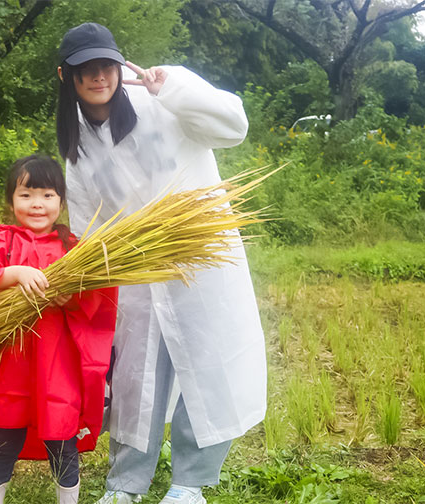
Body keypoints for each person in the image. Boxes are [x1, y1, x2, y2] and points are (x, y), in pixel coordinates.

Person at [56, 23, 267, 504]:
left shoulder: (162, 94)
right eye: (86, 68)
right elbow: (89, 228)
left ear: (119, 64)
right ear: (66, 76)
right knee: (136, 379)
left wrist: (172, 91)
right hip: (137, 274)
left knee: (208, 365)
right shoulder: (78, 147)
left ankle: (189, 484)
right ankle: (124, 485)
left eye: (106, 64)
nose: (99, 75)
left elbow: (234, 126)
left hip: (200, 258)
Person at [0, 154, 119, 504]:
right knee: (5, 433)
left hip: (58, 364)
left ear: (61, 202)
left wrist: (70, 297)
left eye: (47, 195)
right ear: (11, 201)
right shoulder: (0, 243)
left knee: (61, 431)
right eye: (26, 195)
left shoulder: (73, 250)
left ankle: (67, 498)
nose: (37, 204)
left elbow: (96, 299)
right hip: (13, 365)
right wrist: (15, 274)